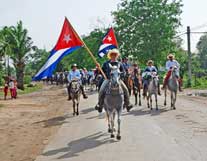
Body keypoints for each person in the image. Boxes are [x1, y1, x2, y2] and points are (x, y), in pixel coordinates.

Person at [95, 49, 133, 113]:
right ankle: (99, 104)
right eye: (112, 55)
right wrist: (99, 69)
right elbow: (102, 72)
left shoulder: (120, 63)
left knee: (126, 89)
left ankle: (128, 103)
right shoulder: (106, 63)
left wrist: (121, 76)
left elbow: (123, 72)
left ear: (117, 56)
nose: (113, 56)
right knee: (101, 90)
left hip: (118, 79)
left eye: (115, 55)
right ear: (110, 56)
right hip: (108, 79)